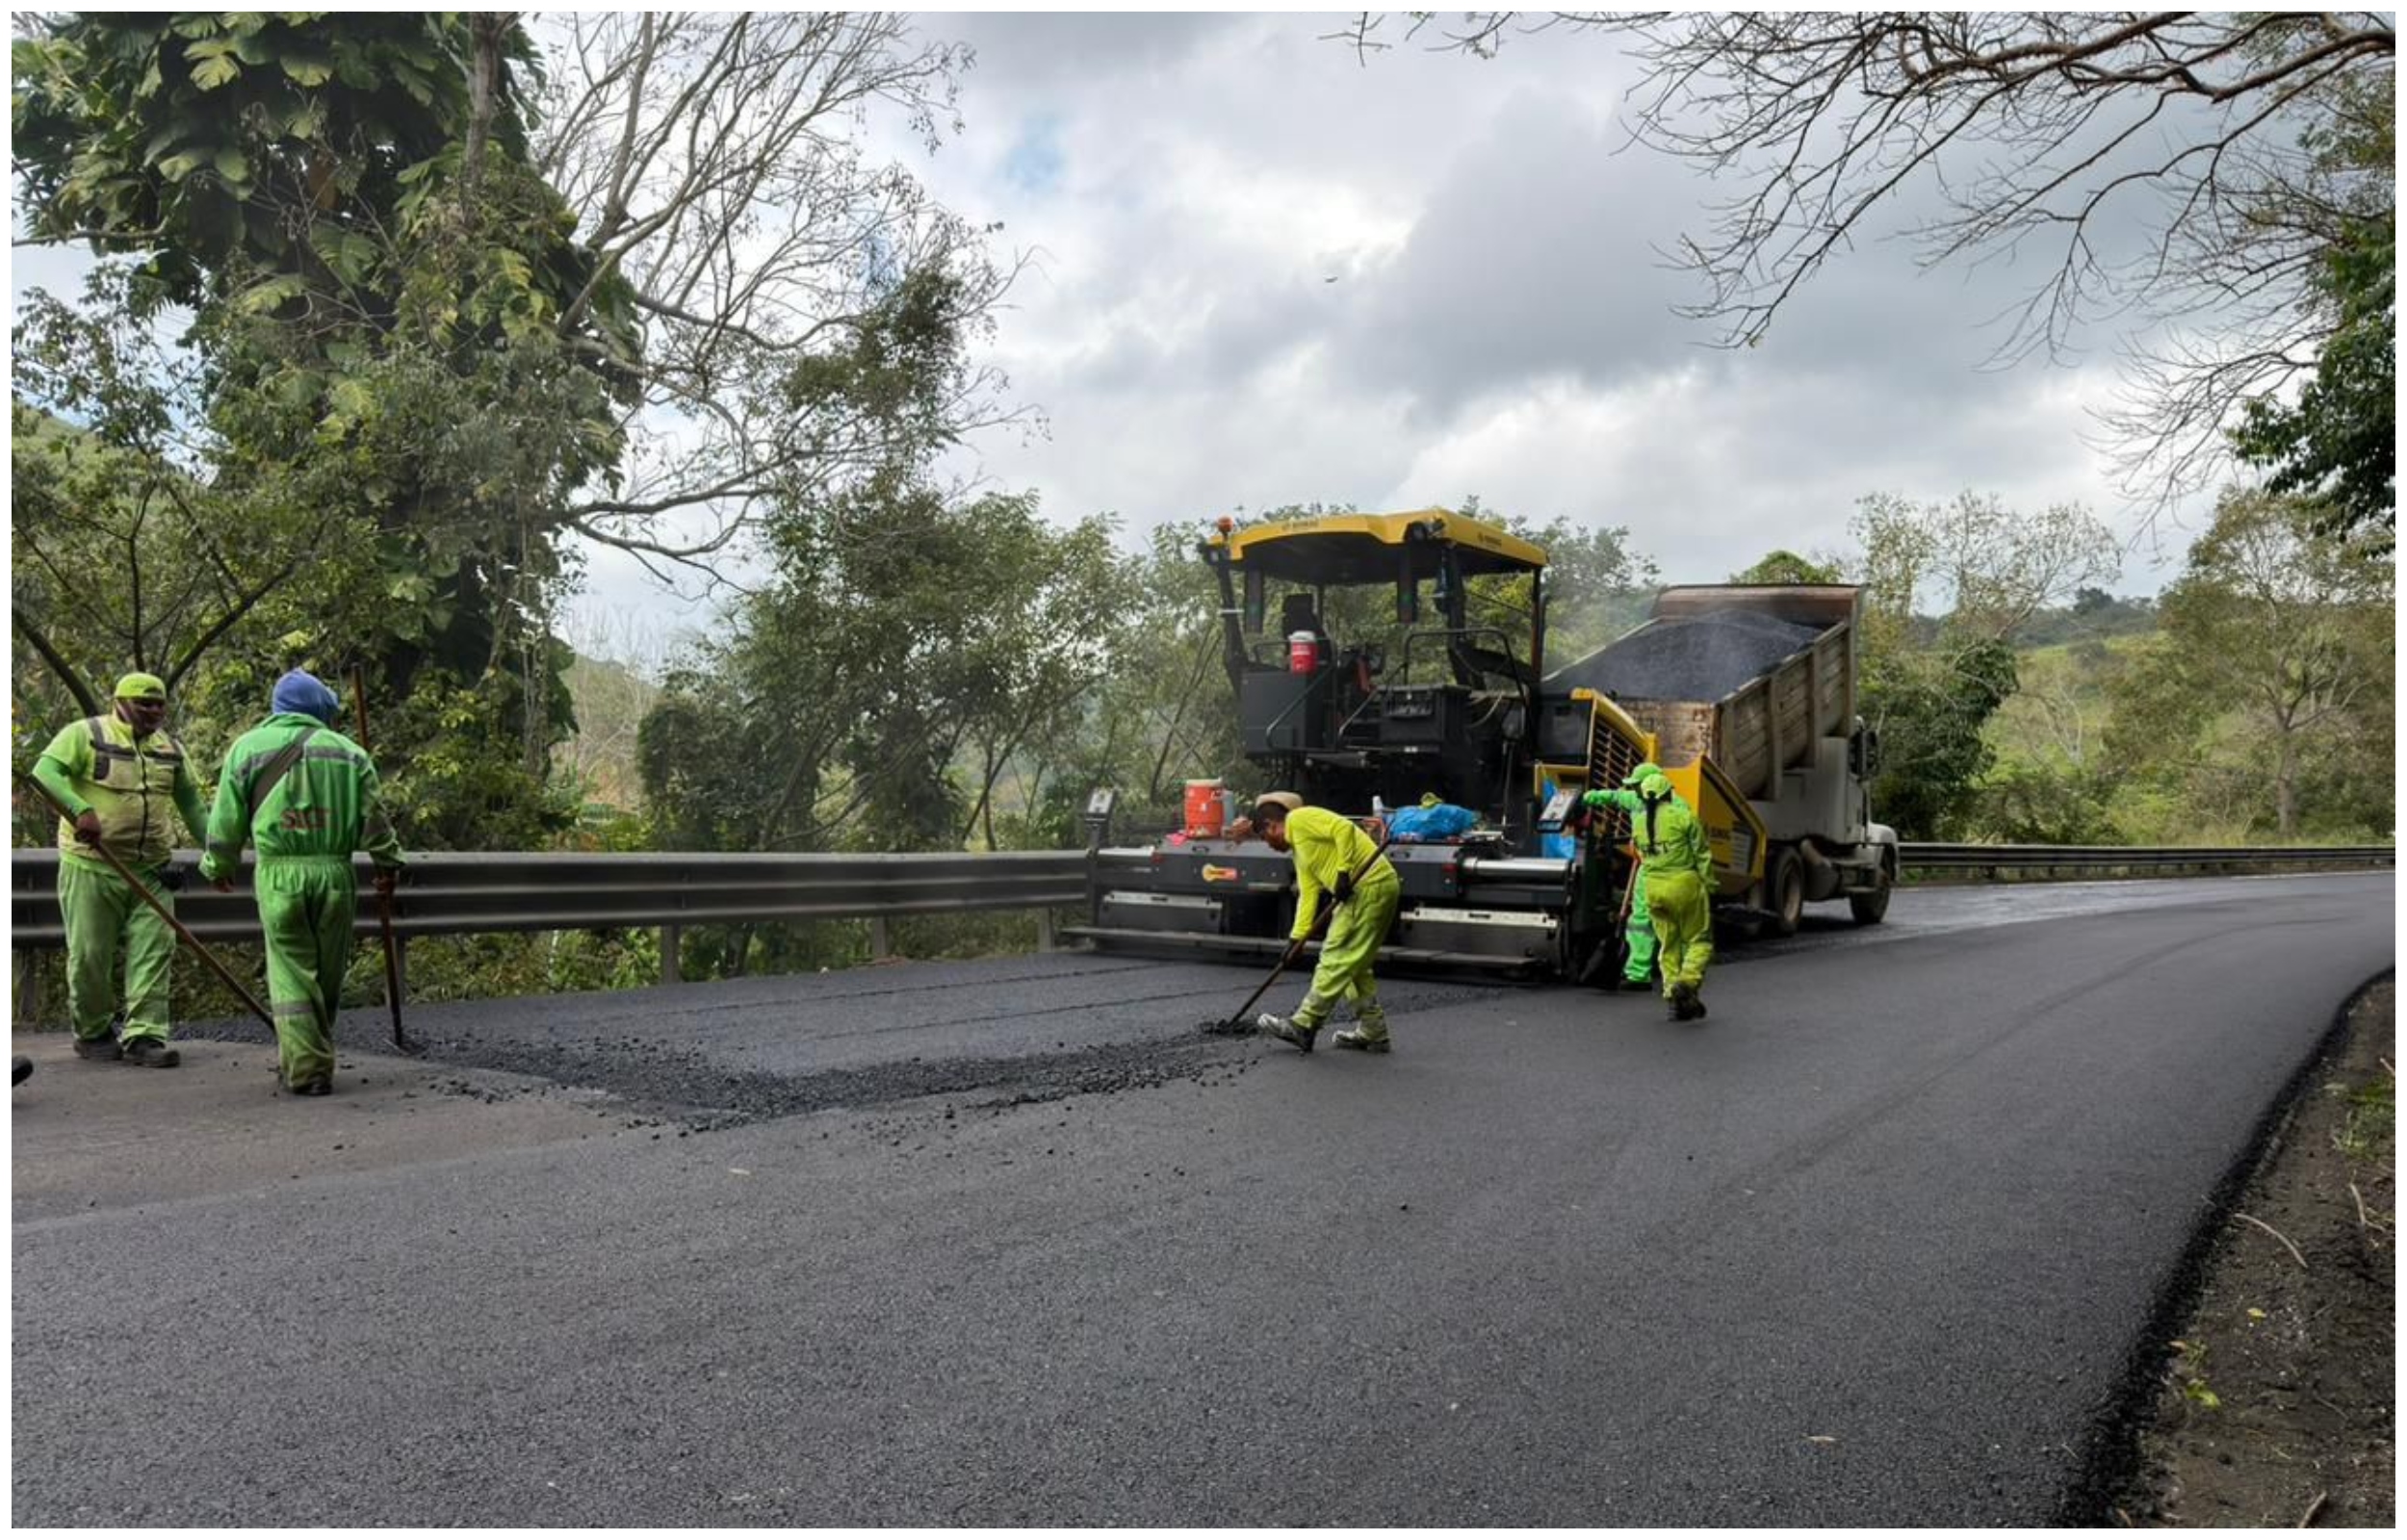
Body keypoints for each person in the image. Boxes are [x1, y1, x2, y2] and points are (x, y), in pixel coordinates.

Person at [200, 670, 406, 1096]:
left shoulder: (247, 749)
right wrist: (388, 864)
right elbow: (376, 821)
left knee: (292, 973)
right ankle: (309, 1058)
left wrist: (218, 867)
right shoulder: (350, 754)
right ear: (321, 710)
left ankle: (307, 1066)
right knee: (327, 972)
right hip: (335, 874)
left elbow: (225, 822)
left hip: (278, 874)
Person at [31, 672, 212, 1068]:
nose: (153, 711)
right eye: (144, 703)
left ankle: (145, 1036)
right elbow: (44, 773)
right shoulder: (85, 734)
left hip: (152, 869)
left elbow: (192, 806)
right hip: (92, 865)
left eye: (160, 704)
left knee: (154, 951)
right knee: (91, 954)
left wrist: (219, 853)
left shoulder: (171, 749)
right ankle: (93, 1032)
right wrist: (81, 811)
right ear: (119, 701)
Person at [1249, 791, 1403, 1054]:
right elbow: (1307, 895)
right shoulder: (1300, 853)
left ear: (1271, 825)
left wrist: (1343, 871)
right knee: (1355, 965)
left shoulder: (1298, 819)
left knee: (1336, 956)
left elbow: (1343, 828)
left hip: (1367, 885)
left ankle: (1304, 1024)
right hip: (1369, 889)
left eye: (1265, 839)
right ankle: (1374, 1031)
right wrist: (1295, 939)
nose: (1269, 845)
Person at [1584, 764, 1716, 1020]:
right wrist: (1709, 885)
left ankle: (1669, 992)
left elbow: (1613, 797)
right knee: (1697, 940)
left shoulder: (1639, 811)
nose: (1631, 789)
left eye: (1635, 785)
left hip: (1652, 881)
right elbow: (1701, 853)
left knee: (1667, 943)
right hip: (1683, 882)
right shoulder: (1682, 812)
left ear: (1644, 787)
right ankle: (1686, 983)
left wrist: (1585, 797)